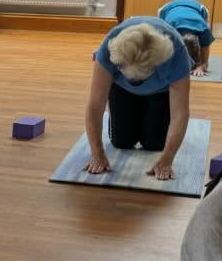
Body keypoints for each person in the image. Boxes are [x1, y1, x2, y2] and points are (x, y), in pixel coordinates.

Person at [82, 17, 192, 180]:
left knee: (155, 144)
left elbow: (180, 114)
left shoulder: (177, 54)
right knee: (122, 141)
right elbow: (94, 106)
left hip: (160, 92)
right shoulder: (109, 48)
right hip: (121, 89)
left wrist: (167, 160)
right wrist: (97, 154)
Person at [157, 0, 215, 77]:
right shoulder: (167, 29)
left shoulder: (204, 29)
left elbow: (205, 57)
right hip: (169, 7)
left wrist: (201, 66)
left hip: (198, 7)